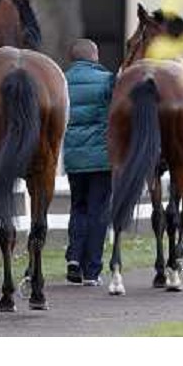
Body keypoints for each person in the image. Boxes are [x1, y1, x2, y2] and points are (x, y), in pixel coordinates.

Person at [64, 39, 114, 286]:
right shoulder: (107, 80)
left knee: (78, 207)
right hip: (102, 159)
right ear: (94, 55)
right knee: (98, 212)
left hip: (74, 157)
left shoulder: (62, 80)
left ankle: (74, 258)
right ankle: (92, 271)